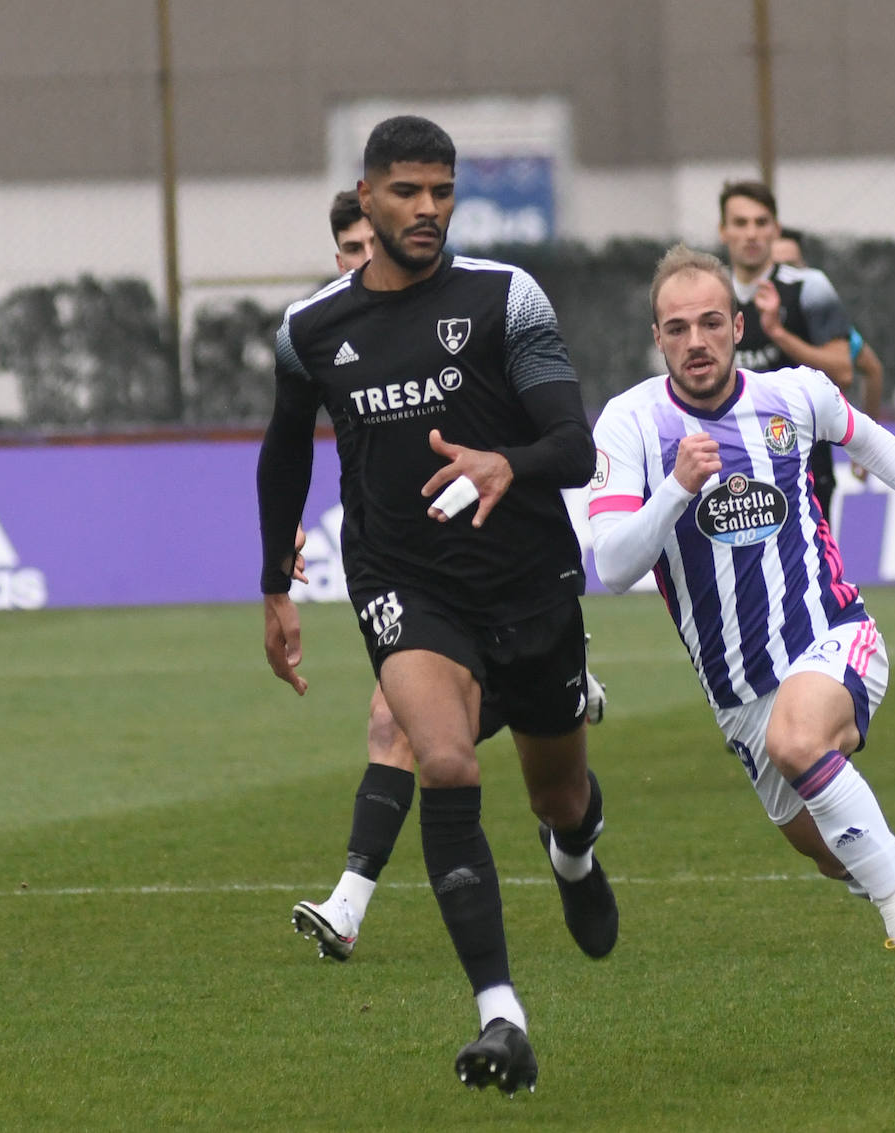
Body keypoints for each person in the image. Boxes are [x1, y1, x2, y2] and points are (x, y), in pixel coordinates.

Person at [258, 116, 618, 1095]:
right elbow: (286, 447)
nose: (428, 209)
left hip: (529, 582)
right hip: (404, 585)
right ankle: (501, 1013)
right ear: (365, 196)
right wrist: (274, 585)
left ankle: (577, 853)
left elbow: (574, 447)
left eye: (443, 191)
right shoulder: (311, 330)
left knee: (558, 793)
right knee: (445, 758)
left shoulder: (507, 299)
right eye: (409, 191)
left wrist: (511, 461)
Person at [588, 245, 895, 1012]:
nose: (696, 340)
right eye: (678, 328)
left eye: (712, 322)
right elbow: (611, 564)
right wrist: (677, 487)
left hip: (833, 636)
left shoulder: (793, 394)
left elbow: (867, 435)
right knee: (823, 849)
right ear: (658, 337)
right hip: (737, 690)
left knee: (799, 740)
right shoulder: (631, 422)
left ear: (738, 325)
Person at [717, 184, 859, 526]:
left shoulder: (809, 287)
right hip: (731, 468)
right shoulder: (710, 292)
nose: (751, 233)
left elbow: (844, 371)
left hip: (803, 464)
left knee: (812, 576)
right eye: (740, 223)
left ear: (775, 230)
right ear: (723, 231)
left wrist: (779, 334)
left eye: (761, 222)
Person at [770, 226, 884, 486]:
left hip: (811, 459)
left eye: (793, 266)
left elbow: (871, 368)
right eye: (777, 266)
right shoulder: (744, 318)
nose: (785, 275)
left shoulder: (823, 328)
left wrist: (866, 446)